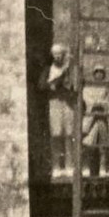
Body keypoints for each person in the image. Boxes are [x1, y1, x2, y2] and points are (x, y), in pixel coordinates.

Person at [39, 44, 76, 176]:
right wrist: (52, 84)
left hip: (67, 102)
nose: (58, 56)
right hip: (54, 102)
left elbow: (75, 84)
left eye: (60, 54)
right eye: (55, 54)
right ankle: (56, 166)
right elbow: (41, 85)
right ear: (52, 55)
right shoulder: (49, 69)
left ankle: (69, 165)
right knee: (56, 134)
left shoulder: (69, 69)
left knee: (69, 134)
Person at [81, 66, 109, 177]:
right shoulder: (88, 88)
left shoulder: (106, 88)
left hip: (102, 118)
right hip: (91, 119)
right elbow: (88, 100)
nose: (99, 75)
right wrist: (96, 103)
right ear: (94, 74)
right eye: (97, 72)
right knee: (91, 145)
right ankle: (91, 170)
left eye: (101, 72)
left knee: (103, 144)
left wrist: (101, 104)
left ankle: (104, 169)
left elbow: (108, 102)